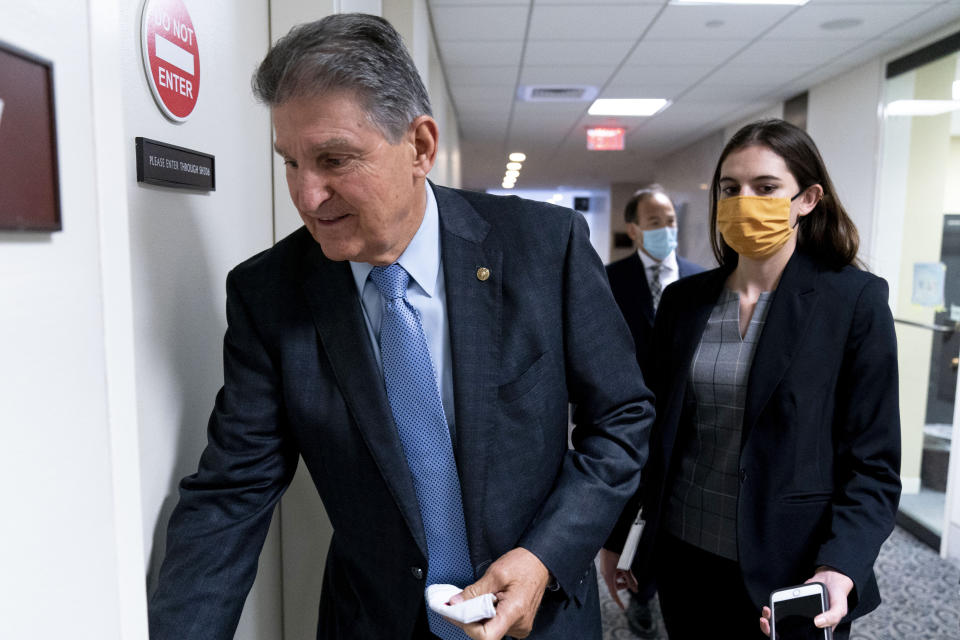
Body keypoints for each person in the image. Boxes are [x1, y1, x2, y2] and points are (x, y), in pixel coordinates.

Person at [147, 13, 654, 640]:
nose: (305, 196)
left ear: (420, 146)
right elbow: (232, 493)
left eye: (333, 159)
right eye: (291, 162)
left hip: (541, 618)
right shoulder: (269, 295)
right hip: (375, 621)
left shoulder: (544, 248)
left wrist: (544, 556)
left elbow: (622, 420)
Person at [602, 119, 901, 640]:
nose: (743, 201)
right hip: (684, 554)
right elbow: (649, 432)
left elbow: (873, 464)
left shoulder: (853, 302)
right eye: (729, 188)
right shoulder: (684, 303)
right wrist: (618, 535)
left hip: (793, 568)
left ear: (807, 199)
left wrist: (841, 566)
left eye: (765, 188)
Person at [601, 185, 704, 638]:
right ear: (634, 229)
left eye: (671, 220)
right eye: (655, 221)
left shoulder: (702, 280)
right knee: (633, 510)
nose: (666, 229)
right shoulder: (607, 279)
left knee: (678, 510)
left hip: (690, 420)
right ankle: (637, 590)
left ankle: (658, 590)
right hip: (629, 418)